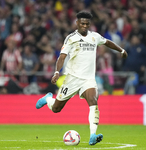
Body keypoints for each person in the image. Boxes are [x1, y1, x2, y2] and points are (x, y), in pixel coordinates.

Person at [35, 11, 128, 145]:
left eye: (87, 24)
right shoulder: (71, 38)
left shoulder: (94, 36)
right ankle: (48, 99)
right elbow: (62, 57)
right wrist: (56, 72)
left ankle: (92, 135)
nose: (85, 26)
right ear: (77, 23)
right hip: (72, 79)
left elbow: (107, 42)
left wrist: (121, 51)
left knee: (93, 101)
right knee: (56, 108)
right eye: (82, 23)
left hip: (88, 80)